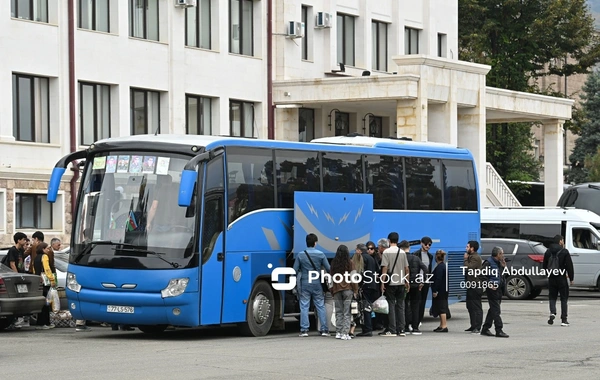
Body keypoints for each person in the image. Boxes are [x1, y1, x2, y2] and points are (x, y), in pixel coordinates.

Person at [293, 233, 331, 337]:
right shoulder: (321, 254)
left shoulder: (300, 255)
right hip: (317, 282)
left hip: (305, 283)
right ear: (315, 243)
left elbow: (295, 270)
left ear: (306, 243)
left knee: (304, 306)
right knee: (320, 306)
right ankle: (324, 329)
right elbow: (328, 268)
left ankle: (304, 330)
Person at [379, 232, 409, 337]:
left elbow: (385, 268)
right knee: (401, 306)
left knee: (391, 305)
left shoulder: (386, 252)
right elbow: (406, 268)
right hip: (401, 282)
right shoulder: (402, 252)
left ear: (389, 240)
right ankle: (402, 329)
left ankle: (392, 329)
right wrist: (407, 281)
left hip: (391, 282)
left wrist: (382, 282)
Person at [543, 234, 574, 327]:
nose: (563, 242)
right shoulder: (564, 251)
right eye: (563, 240)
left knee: (552, 297)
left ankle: (552, 312)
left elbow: (544, 265)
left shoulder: (548, 251)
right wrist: (571, 278)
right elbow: (569, 266)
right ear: (560, 241)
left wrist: (547, 274)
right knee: (564, 298)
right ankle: (564, 320)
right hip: (561, 278)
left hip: (552, 278)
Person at [331, 245, 358, 340]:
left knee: (339, 311)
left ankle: (338, 332)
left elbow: (331, 278)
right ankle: (345, 333)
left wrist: (332, 290)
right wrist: (355, 290)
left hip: (337, 289)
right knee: (347, 312)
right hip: (348, 289)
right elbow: (353, 278)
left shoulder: (334, 263)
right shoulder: (350, 263)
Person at [480, 246, 509, 338]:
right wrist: (489, 284)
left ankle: (485, 328)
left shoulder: (498, 263)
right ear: (498, 254)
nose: (503, 255)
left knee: (493, 309)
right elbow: (481, 275)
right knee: (496, 310)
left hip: (499, 289)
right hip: (492, 289)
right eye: (502, 253)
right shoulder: (488, 263)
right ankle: (499, 329)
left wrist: (503, 267)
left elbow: (500, 275)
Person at [404, 240, 428, 335]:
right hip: (416, 284)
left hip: (405, 285)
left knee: (405, 306)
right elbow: (425, 269)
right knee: (415, 306)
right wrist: (423, 281)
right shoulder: (416, 258)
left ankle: (405, 327)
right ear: (409, 248)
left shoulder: (402, 258)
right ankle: (415, 327)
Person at [32, 243, 56, 330]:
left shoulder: (35, 258)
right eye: (47, 248)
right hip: (45, 282)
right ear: (43, 249)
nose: (48, 250)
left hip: (39, 281)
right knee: (46, 302)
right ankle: (44, 322)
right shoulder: (44, 257)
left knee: (42, 302)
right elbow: (47, 268)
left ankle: (41, 322)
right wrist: (52, 279)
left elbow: (34, 269)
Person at [356, 242, 378, 337]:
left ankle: (367, 329)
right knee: (368, 307)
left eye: (356, 250)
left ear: (359, 250)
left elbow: (360, 272)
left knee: (364, 307)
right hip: (373, 285)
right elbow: (377, 269)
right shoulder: (371, 258)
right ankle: (369, 327)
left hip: (365, 285)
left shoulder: (362, 258)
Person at [412, 236, 434, 327]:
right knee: (416, 302)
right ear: (421, 243)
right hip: (417, 281)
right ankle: (414, 321)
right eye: (426, 244)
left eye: (429, 245)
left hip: (425, 281)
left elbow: (428, 269)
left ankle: (419, 320)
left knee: (423, 302)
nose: (427, 246)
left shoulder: (430, 256)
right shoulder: (415, 254)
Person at [464, 240, 483, 334]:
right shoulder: (471, 257)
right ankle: (473, 325)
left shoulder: (475, 258)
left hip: (475, 285)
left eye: (467, 247)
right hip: (470, 284)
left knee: (476, 306)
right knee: (470, 306)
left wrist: (465, 259)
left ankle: (478, 326)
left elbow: (468, 268)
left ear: (472, 248)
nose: (466, 248)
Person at [431, 250, 449, 332]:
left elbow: (438, 280)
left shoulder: (439, 267)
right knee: (441, 307)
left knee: (442, 308)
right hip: (443, 290)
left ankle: (444, 326)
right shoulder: (443, 266)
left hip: (440, 291)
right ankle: (441, 325)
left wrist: (435, 290)